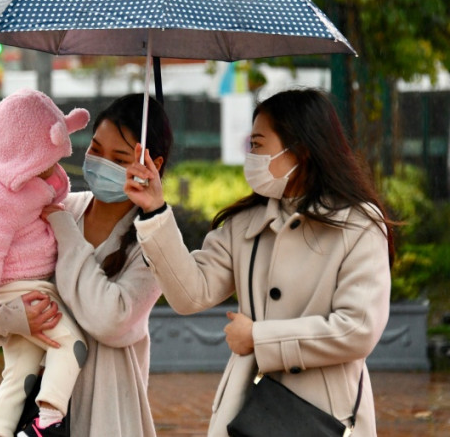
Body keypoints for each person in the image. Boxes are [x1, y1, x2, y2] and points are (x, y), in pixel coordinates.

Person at [125, 87, 393, 437]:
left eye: (257, 144)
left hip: (327, 418)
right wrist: (155, 210)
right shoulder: (246, 223)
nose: (250, 155)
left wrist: (259, 338)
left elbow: (358, 328)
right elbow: (191, 293)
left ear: (300, 150)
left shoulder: (358, 224)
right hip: (249, 413)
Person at [0, 93, 173, 437]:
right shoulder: (53, 209)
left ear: (151, 164)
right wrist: (17, 317)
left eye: (119, 158)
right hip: (34, 416)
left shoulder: (154, 241)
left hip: (108, 414)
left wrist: (66, 234)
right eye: (95, 149)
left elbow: (110, 320)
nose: (100, 161)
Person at [0, 88, 91, 437]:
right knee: (73, 347)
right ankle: (47, 421)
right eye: (48, 159)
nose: (54, 167)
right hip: (24, 289)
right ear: (25, 153)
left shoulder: (23, 183)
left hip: (22, 289)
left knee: (20, 374)